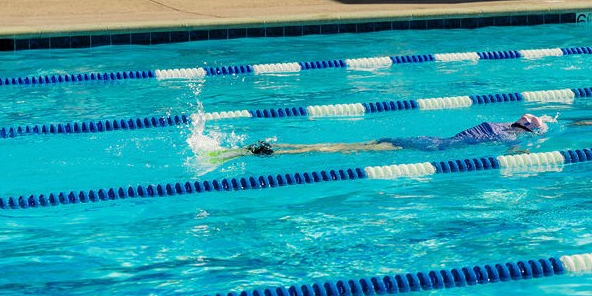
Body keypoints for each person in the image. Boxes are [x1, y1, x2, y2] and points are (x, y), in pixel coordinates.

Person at [211, 113, 552, 161]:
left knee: (357, 146)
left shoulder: (495, 124)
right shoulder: (510, 139)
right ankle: (276, 152)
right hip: (431, 146)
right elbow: (513, 158)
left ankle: (280, 149)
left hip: (425, 136)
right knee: (347, 150)